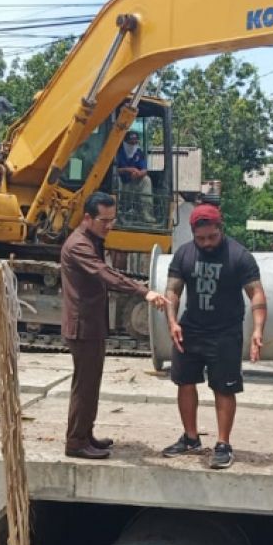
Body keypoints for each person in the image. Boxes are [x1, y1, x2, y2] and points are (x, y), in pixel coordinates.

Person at [61, 192, 168, 459]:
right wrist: (143, 292)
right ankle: (75, 442)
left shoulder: (92, 240)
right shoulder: (79, 245)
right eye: (103, 220)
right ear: (87, 218)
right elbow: (104, 274)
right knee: (84, 386)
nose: (109, 225)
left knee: (91, 383)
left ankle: (85, 434)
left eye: (112, 220)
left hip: (92, 324)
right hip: (82, 326)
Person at [161, 203, 267, 469]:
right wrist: (172, 322)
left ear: (221, 228)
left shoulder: (239, 256)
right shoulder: (184, 255)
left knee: (223, 388)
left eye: (212, 237)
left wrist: (257, 329)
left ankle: (223, 444)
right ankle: (190, 437)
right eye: (201, 239)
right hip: (191, 329)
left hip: (225, 332)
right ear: (193, 234)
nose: (207, 243)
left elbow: (256, 294)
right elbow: (172, 292)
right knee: (184, 382)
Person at [114, 130, 155, 224]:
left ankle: (147, 214)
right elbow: (112, 170)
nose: (133, 145)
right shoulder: (118, 152)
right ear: (125, 142)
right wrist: (127, 170)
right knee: (115, 179)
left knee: (146, 180)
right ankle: (117, 213)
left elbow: (144, 169)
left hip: (133, 185)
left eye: (135, 143)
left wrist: (139, 174)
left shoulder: (138, 152)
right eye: (131, 143)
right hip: (120, 185)